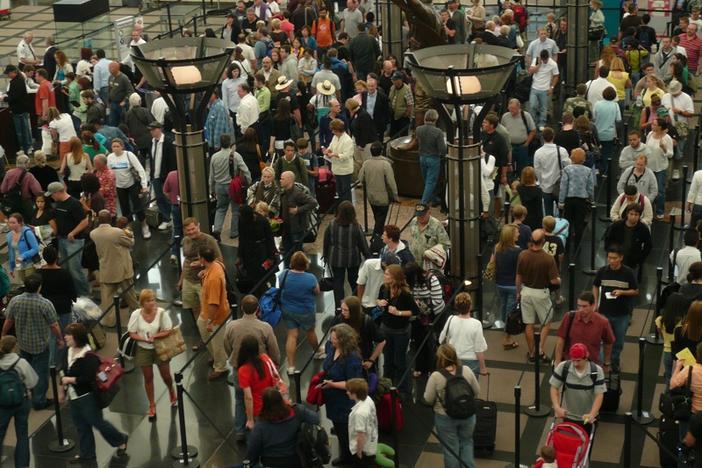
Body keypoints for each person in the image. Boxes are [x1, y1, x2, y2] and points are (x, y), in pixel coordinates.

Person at [58, 323, 128, 463]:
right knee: (81, 426)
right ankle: (87, 453)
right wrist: (61, 390)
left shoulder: (89, 356)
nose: (65, 337)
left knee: (97, 422)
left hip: (87, 397)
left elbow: (88, 378)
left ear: (77, 337)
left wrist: (69, 379)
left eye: (68, 335)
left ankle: (120, 439)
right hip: (73, 397)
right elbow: (62, 371)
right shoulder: (68, 351)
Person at [1, 274, 63, 410]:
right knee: (41, 373)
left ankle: (28, 393)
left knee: (26, 369)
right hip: (41, 345)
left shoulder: (15, 301)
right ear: (39, 287)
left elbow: (9, 320)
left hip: (23, 343)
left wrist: (3, 334)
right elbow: (54, 325)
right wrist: (59, 339)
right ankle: (39, 401)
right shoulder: (45, 304)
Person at [224, 295, 281, 441]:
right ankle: (264, 428)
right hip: (260, 370)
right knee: (262, 398)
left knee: (239, 399)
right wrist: (275, 364)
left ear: (241, 308)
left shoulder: (231, 326)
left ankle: (240, 431)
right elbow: (273, 349)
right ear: (257, 309)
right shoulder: (265, 327)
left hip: (239, 368)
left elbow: (227, 345)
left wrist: (235, 358)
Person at [423, 343, 480, 468]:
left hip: (445, 417)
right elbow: (476, 391)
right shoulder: (466, 370)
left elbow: (428, 399)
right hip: (468, 415)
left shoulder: (436, 376)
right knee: (467, 443)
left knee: (451, 450)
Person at [127, 289, 177, 420]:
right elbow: (132, 333)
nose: (152, 302)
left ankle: (171, 389)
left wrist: (155, 336)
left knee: (166, 375)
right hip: (143, 349)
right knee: (148, 378)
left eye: (153, 299)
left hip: (159, 348)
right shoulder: (136, 314)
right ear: (142, 303)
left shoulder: (161, 313)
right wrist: (144, 339)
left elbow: (168, 330)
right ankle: (151, 405)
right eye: (149, 300)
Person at [320, 323, 363, 466]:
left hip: (345, 401)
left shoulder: (353, 357)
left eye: (335, 338)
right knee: (339, 430)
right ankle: (344, 455)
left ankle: (351, 460)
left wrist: (332, 384)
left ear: (343, 340)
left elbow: (353, 383)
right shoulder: (332, 348)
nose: (331, 340)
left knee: (346, 433)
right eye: (331, 337)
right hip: (332, 399)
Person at [516, 229, 561, 362]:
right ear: (543, 241)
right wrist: (559, 280)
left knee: (528, 323)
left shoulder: (523, 255)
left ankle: (531, 353)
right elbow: (554, 280)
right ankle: (539, 351)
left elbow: (518, 276)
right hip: (541, 293)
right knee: (546, 322)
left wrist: (518, 292)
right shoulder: (548, 258)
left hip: (526, 292)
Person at [246, 387, 321, 466]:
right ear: (281, 399)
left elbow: (252, 451)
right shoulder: (296, 412)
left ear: (264, 404)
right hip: (295, 460)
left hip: (270, 462)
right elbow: (316, 419)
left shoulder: (260, 426)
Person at [592, 246, 639, 371]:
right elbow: (595, 286)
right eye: (609, 257)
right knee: (603, 340)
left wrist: (622, 292)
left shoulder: (628, 273)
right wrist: (596, 303)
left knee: (618, 342)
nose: (611, 261)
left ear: (621, 258)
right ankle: (604, 364)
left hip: (622, 314)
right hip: (604, 312)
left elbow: (635, 291)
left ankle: (614, 361)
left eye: (614, 258)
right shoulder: (602, 271)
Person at [178, 218, 222, 348]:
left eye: (193, 228)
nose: (191, 232)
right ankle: (203, 336)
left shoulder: (209, 240)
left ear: (198, 226)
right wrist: (181, 279)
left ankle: (210, 338)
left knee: (206, 310)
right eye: (188, 230)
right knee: (195, 308)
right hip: (188, 279)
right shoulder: (185, 241)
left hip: (203, 282)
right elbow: (186, 261)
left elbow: (219, 259)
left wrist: (201, 264)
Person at [90, 209, 139, 326]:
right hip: (122, 270)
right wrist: (130, 233)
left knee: (107, 299)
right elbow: (130, 243)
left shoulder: (93, 233)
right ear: (110, 219)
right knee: (131, 296)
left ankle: (110, 321)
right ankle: (137, 316)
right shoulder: (117, 232)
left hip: (106, 270)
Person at [46, 181, 91, 297]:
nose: (51, 197)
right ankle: (71, 291)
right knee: (65, 268)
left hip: (74, 241)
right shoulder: (58, 203)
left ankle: (84, 294)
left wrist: (73, 232)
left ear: (58, 192)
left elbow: (85, 221)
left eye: (52, 194)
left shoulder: (74, 204)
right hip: (62, 239)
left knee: (75, 269)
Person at [279, 251, 322, 373]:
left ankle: (291, 367)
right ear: (305, 264)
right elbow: (317, 291)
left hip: (287, 309)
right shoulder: (310, 278)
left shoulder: (284, 274)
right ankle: (318, 352)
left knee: (292, 336)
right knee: (310, 332)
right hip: (306, 311)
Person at [323, 201, 371, 308]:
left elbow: (326, 242)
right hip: (352, 259)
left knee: (338, 283)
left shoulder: (332, 225)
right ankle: (354, 305)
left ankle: (339, 307)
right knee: (354, 281)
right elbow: (363, 243)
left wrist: (325, 256)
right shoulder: (356, 226)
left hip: (336, 259)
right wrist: (368, 257)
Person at [0, 335, 38, 468]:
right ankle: (22, 465)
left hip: (2, 405)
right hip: (21, 402)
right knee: (22, 435)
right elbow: (33, 381)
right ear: (15, 347)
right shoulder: (21, 362)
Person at [377, 264, 415, 394]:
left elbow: (414, 311)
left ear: (394, 277)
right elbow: (378, 299)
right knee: (387, 359)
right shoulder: (384, 288)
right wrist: (379, 302)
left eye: (387, 274)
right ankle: (387, 386)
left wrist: (398, 312)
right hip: (385, 328)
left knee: (400, 361)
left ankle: (402, 389)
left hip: (400, 331)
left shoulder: (405, 294)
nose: (384, 276)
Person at [554, 291, 615, 370]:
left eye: (584, 306)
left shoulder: (602, 322)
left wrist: (607, 363)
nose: (581, 309)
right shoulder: (569, 317)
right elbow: (560, 340)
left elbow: (608, 343)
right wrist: (557, 362)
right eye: (579, 306)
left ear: (593, 305)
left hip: (591, 366)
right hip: (570, 364)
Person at [550, 342, 606, 427]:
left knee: (587, 438)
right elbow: (554, 388)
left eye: (578, 360)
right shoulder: (563, 367)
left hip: (587, 418)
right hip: (567, 415)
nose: (575, 363)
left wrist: (592, 414)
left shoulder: (597, 371)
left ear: (586, 357)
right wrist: (557, 408)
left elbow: (599, 395)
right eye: (573, 360)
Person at [209, 134, 251, 241]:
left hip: (219, 186)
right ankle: (234, 232)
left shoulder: (214, 157)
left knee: (221, 208)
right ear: (230, 143)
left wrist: (212, 189)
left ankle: (217, 230)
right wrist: (249, 182)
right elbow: (245, 170)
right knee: (235, 209)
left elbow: (211, 176)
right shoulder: (236, 156)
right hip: (233, 186)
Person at [106, 138, 150, 239]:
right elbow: (109, 173)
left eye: (118, 146)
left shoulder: (129, 155)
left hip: (132, 184)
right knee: (124, 208)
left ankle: (144, 225)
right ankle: (129, 227)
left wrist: (144, 186)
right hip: (119, 186)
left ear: (122, 146)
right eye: (113, 146)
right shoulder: (110, 158)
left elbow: (140, 170)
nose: (116, 148)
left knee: (137, 206)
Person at [198, 246, 230, 380]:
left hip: (214, 316)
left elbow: (214, 303)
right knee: (208, 338)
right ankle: (217, 359)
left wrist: (210, 321)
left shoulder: (213, 279)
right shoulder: (217, 265)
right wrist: (204, 272)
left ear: (202, 259)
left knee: (217, 342)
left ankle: (221, 367)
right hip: (207, 312)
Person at [438, 292, 488, 378]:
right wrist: (483, 368)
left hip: (452, 360)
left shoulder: (451, 319)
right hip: (471, 363)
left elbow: (441, 339)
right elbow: (479, 349)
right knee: (470, 389)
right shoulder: (476, 324)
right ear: (470, 306)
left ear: (456, 306)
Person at [358, 141, 397, 235]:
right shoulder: (385, 164)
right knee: (381, 219)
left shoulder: (366, 163)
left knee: (377, 217)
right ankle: (376, 238)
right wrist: (395, 195)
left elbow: (360, 178)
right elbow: (391, 182)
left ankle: (379, 236)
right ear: (381, 151)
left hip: (371, 196)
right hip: (383, 197)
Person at [559, 148, 595, 249]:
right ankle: (577, 246)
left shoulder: (566, 170)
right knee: (579, 224)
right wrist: (592, 200)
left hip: (569, 200)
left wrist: (561, 202)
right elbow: (590, 187)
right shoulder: (588, 171)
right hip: (582, 201)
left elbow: (563, 187)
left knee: (567, 222)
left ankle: (566, 246)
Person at [237, 205, 276, 296]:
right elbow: (241, 238)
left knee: (262, 275)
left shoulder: (263, 221)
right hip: (248, 251)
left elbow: (270, 239)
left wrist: (271, 257)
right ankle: (254, 295)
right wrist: (239, 255)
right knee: (250, 274)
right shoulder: (242, 220)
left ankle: (263, 295)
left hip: (261, 250)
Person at [279, 171, 318, 263]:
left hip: (297, 229)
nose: (280, 180)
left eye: (282, 179)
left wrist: (298, 210)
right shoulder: (284, 192)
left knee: (297, 253)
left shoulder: (297, 193)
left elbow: (313, 202)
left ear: (289, 180)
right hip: (286, 228)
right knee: (287, 252)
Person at [603, 203, 653, 273]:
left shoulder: (643, 229)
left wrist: (640, 259)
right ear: (627, 214)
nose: (633, 217)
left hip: (632, 263)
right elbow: (608, 239)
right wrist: (610, 253)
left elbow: (648, 246)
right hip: (615, 260)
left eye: (636, 215)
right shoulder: (617, 225)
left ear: (639, 216)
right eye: (631, 214)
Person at [148, 122, 177, 231]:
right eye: (150, 130)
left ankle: (173, 218)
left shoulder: (168, 142)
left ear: (159, 129)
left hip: (166, 176)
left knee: (169, 198)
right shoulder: (151, 142)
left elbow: (172, 161)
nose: (151, 132)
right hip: (155, 175)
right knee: (159, 198)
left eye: (153, 129)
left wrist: (171, 175)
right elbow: (151, 159)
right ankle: (166, 218)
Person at [416, 109, 447, 205]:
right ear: (436, 119)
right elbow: (442, 149)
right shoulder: (438, 132)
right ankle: (423, 204)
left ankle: (433, 199)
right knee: (430, 182)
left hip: (422, 158)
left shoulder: (419, 129)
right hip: (433, 159)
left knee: (427, 181)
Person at [646, 118, 674, 219]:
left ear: (660, 127)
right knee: (648, 189)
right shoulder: (649, 134)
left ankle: (660, 210)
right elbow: (646, 148)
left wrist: (664, 148)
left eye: (654, 124)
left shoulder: (667, 138)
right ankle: (648, 209)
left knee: (660, 190)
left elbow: (670, 154)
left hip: (660, 168)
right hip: (648, 167)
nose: (652, 126)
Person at [347, 378, 379, 466]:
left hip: (363, 450)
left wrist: (359, 452)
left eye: (349, 391)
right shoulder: (368, 399)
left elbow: (361, 436)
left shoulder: (359, 413)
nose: (347, 392)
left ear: (356, 393)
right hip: (371, 442)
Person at [3, 65, 33, 155]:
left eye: (8, 73)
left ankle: (23, 148)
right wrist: (7, 94)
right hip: (22, 109)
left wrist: (4, 99)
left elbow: (15, 96)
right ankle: (27, 146)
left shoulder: (16, 82)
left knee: (20, 131)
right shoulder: (20, 79)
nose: (8, 75)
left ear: (13, 72)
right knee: (25, 129)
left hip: (18, 110)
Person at [323, 118, 355, 201]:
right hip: (337, 169)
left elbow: (346, 156)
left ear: (337, 129)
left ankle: (347, 209)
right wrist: (328, 150)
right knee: (339, 191)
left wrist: (334, 154)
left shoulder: (347, 140)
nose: (332, 132)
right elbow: (331, 146)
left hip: (345, 170)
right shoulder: (335, 137)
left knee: (346, 192)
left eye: (333, 130)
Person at [6, 213, 40, 285]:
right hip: (19, 265)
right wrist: (11, 267)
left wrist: (23, 256)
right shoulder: (9, 235)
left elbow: (36, 248)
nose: (11, 225)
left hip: (30, 263)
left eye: (13, 223)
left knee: (30, 285)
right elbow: (11, 252)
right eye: (9, 222)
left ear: (20, 223)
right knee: (23, 284)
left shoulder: (27, 232)